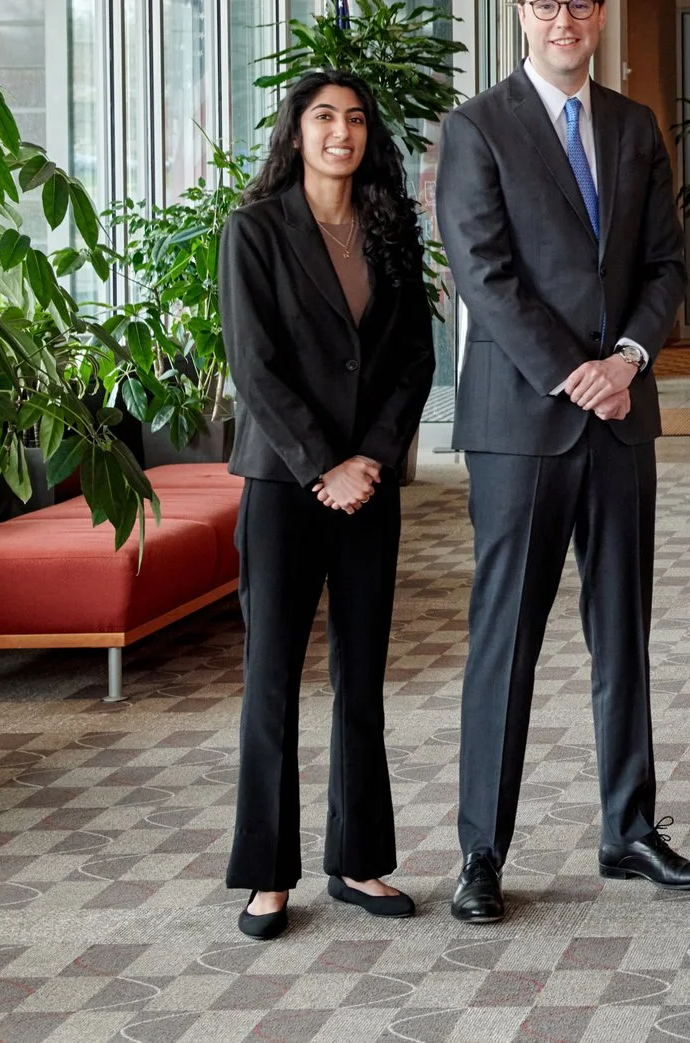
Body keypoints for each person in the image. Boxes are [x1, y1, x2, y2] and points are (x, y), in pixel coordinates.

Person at [438, 0, 690, 924]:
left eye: (581, 5)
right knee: (505, 638)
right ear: (521, 13)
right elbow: (483, 271)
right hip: (522, 422)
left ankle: (628, 827)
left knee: (623, 632)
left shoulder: (633, 125)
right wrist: (574, 372)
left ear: (601, 15)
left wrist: (628, 358)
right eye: (547, 4)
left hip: (621, 417)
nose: (566, 20)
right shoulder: (477, 126)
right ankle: (482, 850)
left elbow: (665, 262)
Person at [220, 70, 436, 940]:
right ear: (296, 132)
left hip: (368, 486)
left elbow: (416, 360)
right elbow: (254, 364)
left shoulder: (391, 229)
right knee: (272, 676)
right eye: (323, 117)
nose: (340, 131)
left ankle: (358, 859)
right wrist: (323, 465)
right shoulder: (254, 229)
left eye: (354, 118)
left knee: (362, 676)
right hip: (285, 484)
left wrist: (371, 459)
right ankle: (267, 874)